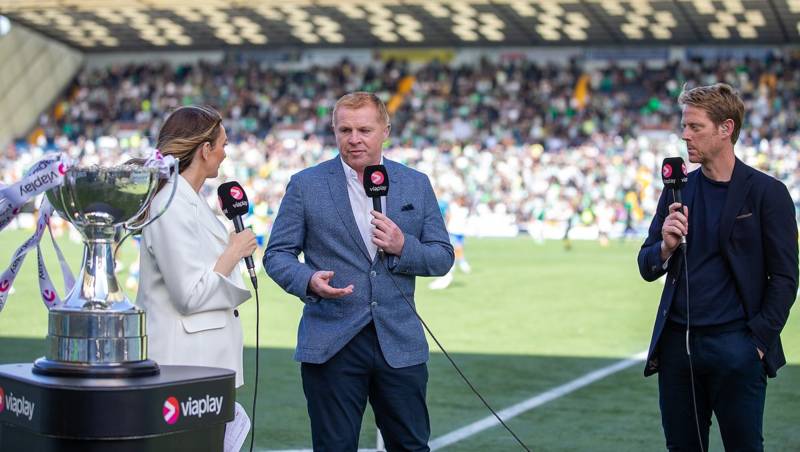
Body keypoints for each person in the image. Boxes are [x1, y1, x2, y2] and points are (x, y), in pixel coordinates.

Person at [264, 92, 454, 451]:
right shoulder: (306, 185)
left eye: (365, 129)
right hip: (331, 341)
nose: (354, 139)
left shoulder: (416, 183)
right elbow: (277, 255)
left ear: (386, 130)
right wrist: (307, 280)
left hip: (399, 341)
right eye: (345, 130)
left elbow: (442, 257)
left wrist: (402, 246)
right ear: (334, 131)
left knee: (411, 446)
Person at [637, 84, 798, 451]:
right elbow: (646, 264)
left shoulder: (767, 193)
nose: (684, 135)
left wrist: (756, 342)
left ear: (726, 129)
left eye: (695, 127)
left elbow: (786, 279)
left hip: (737, 347)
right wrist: (665, 246)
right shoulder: (676, 189)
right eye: (684, 126)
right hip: (678, 347)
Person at [137, 105, 257, 388]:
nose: (225, 153)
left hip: (199, 363)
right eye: (223, 145)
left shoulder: (187, 198)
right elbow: (188, 295)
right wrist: (234, 251)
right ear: (205, 149)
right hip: (183, 364)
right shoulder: (171, 203)